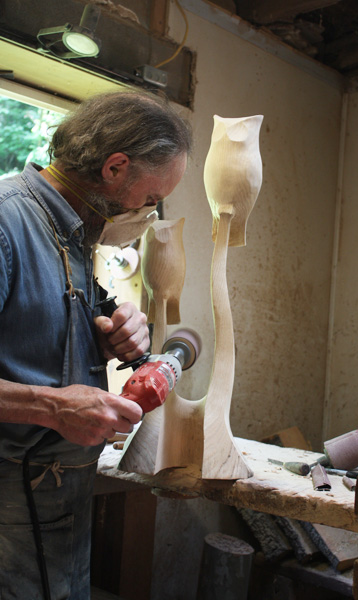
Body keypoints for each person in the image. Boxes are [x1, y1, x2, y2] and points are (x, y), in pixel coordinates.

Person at [0, 90, 191, 599]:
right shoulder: (5, 223)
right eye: (150, 199)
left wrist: (110, 335)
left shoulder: (74, 237)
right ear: (115, 167)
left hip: (61, 496)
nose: (150, 214)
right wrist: (50, 405)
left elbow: (35, 333)